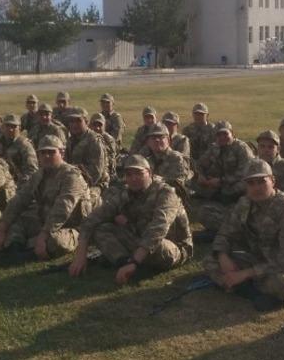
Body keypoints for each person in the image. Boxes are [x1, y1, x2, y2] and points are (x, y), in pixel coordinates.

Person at [203, 159, 284, 311]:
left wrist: (245, 274)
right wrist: (223, 256)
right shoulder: (245, 203)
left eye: (261, 182)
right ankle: (250, 288)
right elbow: (225, 233)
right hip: (259, 260)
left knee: (283, 283)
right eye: (251, 183)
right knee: (211, 260)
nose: (256, 188)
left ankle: (241, 286)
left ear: (272, 181)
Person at [70, 155, 192, 284]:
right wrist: (80, 254)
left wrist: (135, 261)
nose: (133, 178)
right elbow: (93, 218)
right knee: (101, 229)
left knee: (158, 246)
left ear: (149, 173)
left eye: (139, 173)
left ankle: (133, 263)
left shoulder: (166, 193)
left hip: (172, 246)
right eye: (129, 175)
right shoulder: (125, 192)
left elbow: (158, 229)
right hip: (139, 238)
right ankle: (123, 263)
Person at [0, 135, 92, 261]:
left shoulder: (72, 176)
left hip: (74, 225)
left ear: (62, 153)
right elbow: (20, 200)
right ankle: (15, 249)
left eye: (51, 152)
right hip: (45, 220)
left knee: (55, 241)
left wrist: (44, 235)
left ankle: (27, 252)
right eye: (43, 153)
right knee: (18, 224)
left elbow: (63, 209)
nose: (47, 156)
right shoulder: (39, 174)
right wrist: (2, 229)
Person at [63, 107, 109, 201]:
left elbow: (95, 174)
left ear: (86, 122)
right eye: (71, 121)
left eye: (78, 121)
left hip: (95, 185)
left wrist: (75, 182)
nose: (74, 124)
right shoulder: (71, 140)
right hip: (72, 180)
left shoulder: (94, 141)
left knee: (83, 202)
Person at [141, 123, 193, 199]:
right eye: (153, 138)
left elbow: (179, 185)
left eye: (161, 137)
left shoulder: (177, 158)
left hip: (173, 199)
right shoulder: (146, 160)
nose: (157, 140)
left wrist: (154, 179)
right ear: (148, 142)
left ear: (168, 140)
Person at [255, 130, 284, 197]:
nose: (266, 150)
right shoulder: (253, 165)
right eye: (262, 146)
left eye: (270, 147)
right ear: (258, 148)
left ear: (278, 149)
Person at [0, 114, 39, 186]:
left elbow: (32, 171)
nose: (10, 129)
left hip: (18, 183)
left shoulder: (25, 145)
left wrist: (19, 185)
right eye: (7, 126)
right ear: (2, 127)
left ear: (19, 128)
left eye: (14, 127)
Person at [89, 112, 120, 183]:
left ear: (104, 126)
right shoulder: (86, 138)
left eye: (100, 125)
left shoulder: (109, 140)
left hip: (106, 174)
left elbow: (110, 160)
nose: (97, 128)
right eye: (94, 125)